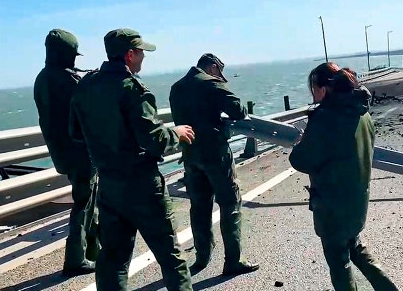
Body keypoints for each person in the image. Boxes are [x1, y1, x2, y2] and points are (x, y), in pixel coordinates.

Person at [69, 28, 195, 290]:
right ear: (129, 54)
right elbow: (153, 140)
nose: (143, 58)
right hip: (142, 184)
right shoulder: (132, 88)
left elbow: (75, 133)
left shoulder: (87, 86)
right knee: (170, 257)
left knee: (113, 259)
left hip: (109, 184)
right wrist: (176, 133)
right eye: (140, 53)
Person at [288, 62, 399, 291]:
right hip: (357, 200)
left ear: (324, 89)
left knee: (339, 262)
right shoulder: (362, 113)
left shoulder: (325, 118)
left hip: (332, 205)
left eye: (314, 89)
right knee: (356, 248)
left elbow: (300, 160)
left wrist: (300, 142)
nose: (313, 94)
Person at [168, 53, 260, 275]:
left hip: (190, 153)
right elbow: (238, 110)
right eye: (219, 70)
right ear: (212, 67)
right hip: (215, 153)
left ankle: (202, 256)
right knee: (230, 203)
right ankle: (233, 261)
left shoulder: (176, 87)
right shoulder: (212, 84)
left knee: (199, 206)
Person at [33, 28, 100, 277]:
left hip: (62, 151)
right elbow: (88, 106)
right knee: (84, 203)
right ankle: (76, 259)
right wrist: (92, 80)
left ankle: (93, 250)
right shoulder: (64, 80)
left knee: (90, 201)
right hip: (79, 151)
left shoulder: (43, 78)